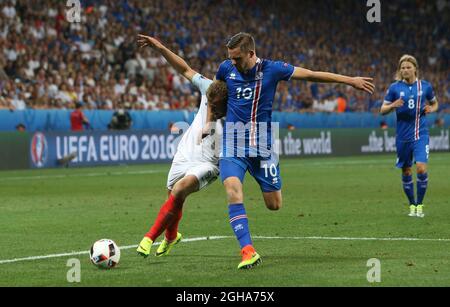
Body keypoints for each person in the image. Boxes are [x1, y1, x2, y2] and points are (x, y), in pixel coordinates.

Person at [214, 32, 375, 269]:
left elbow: (310, 75)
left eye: (238, 58)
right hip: (233, 143)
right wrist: (207, 122)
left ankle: (266, 195)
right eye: (231, 58)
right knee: (232, 189)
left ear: (251, 53)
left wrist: (348, 80)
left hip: (262, 146)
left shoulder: (273, 69)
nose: (234, 63)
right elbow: (214, 95)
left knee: (274, 204)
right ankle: (248, 251)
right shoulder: (225, 69)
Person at [135, 34, 228, 258]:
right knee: (173, 198)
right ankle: (171, 236)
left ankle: (148, 237)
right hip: (186, 152)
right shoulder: (210, 87)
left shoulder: (237, 105)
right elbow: (184, 69)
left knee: (179, 190)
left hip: (209, 162)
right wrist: (160, 48)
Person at [380, 55, 439, 218]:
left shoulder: (425, 86)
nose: (405, 70)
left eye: (408, 67)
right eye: (402, 68)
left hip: (421, 134)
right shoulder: (394, 88)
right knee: (406, 171)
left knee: (421, 167)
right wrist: (393, 105)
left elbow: (435, 103)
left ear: (415, 68)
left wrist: (431, 109)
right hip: (403, 136)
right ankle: (412, 205)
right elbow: (382, 110)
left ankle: (420, 205)